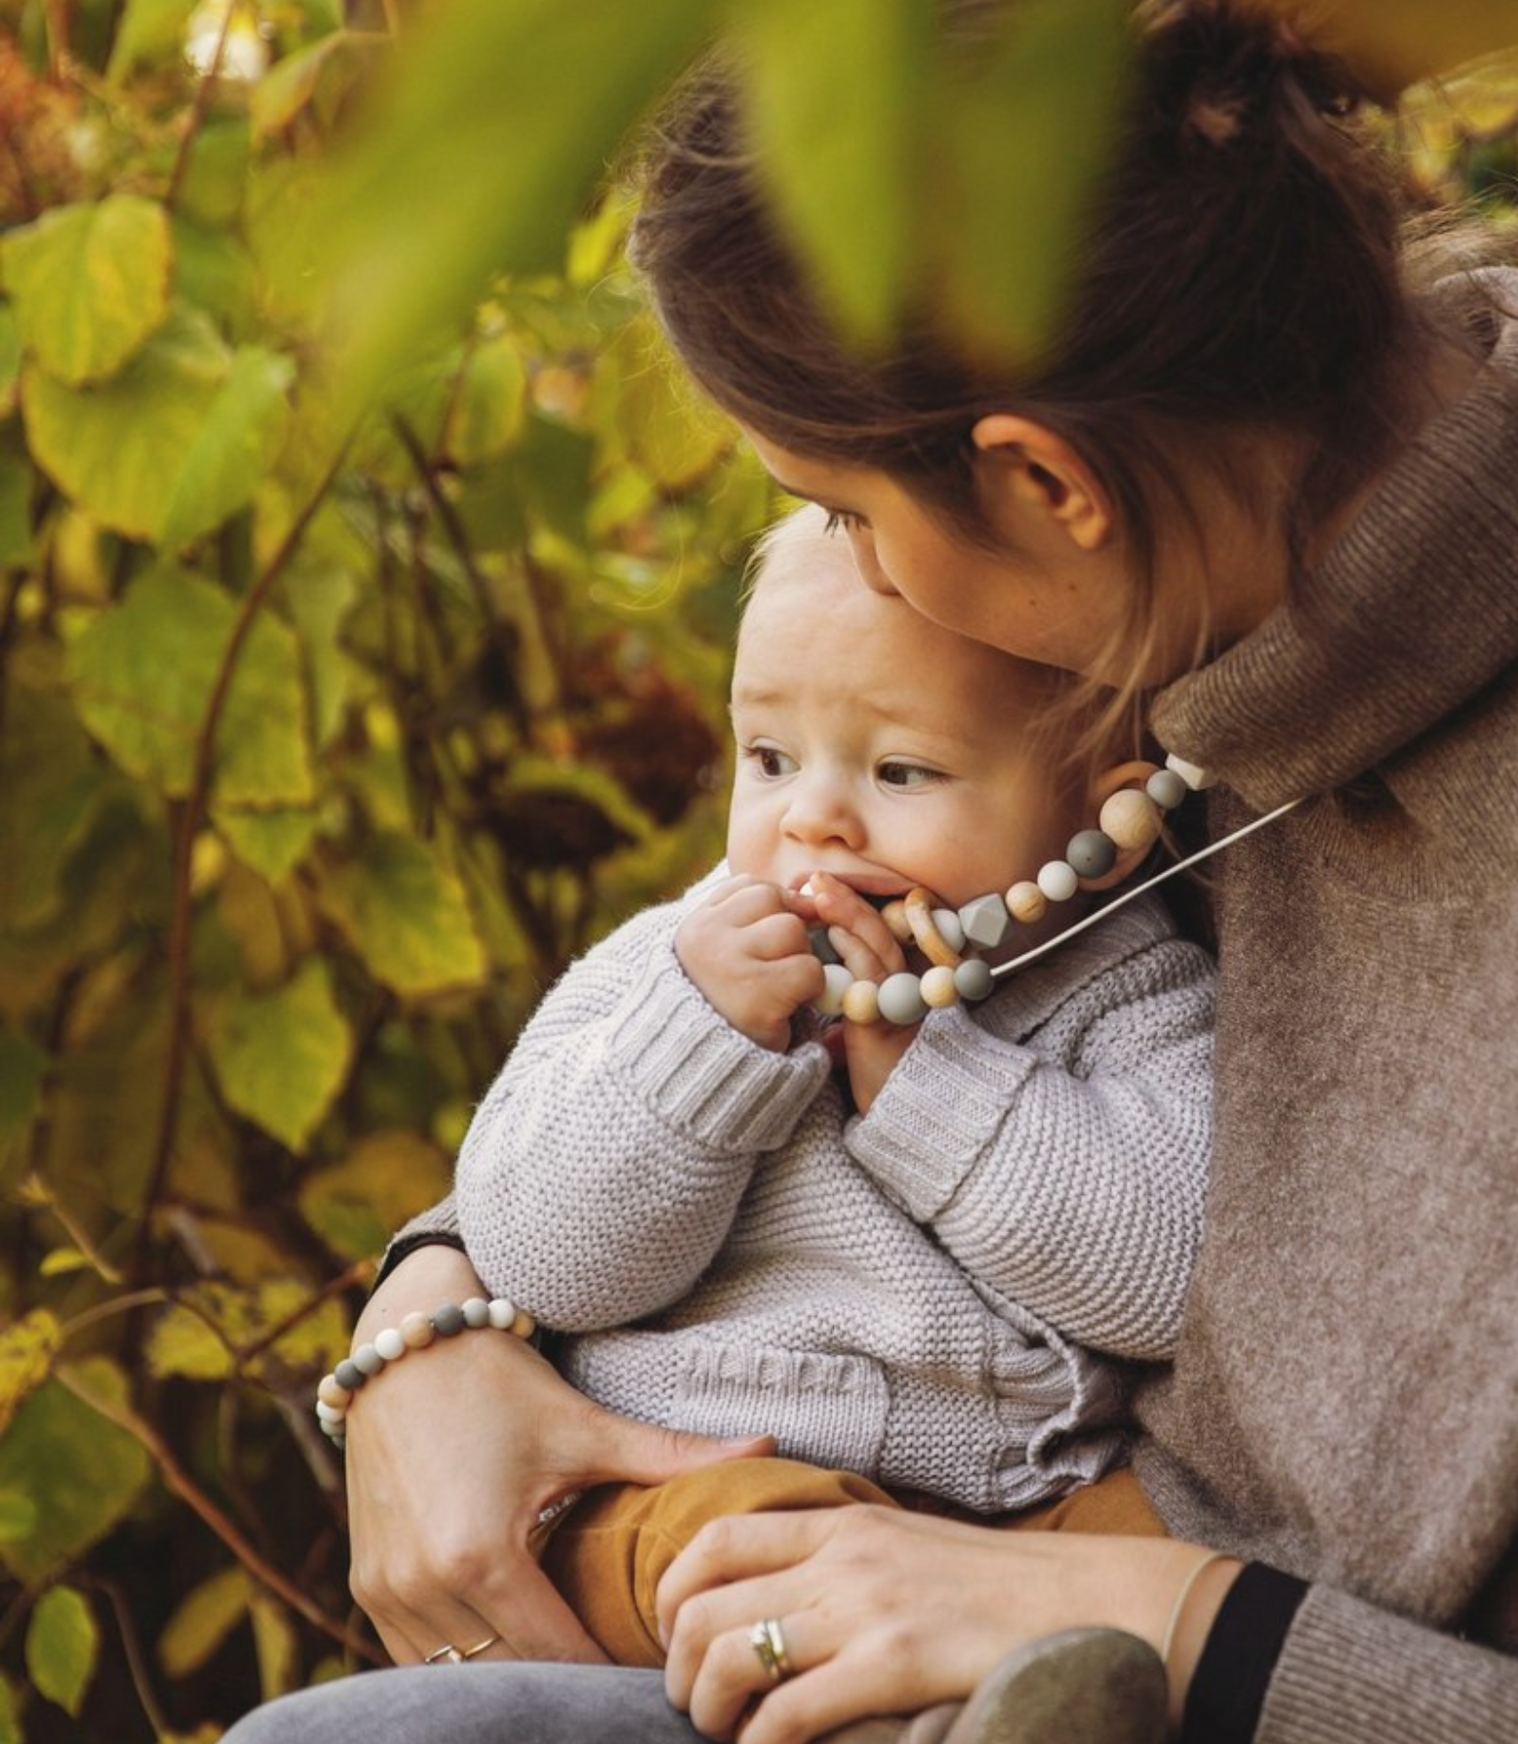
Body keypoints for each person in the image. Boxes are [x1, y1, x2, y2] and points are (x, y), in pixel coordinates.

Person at [225, 0, 1518, 1744]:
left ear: (1047, 487)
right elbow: (743, 1055)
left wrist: (1174, 1620)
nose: (860, 608)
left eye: (858, 520)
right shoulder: (1195, 592)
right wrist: (434, 1325)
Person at [434, 506, 1213, 1700]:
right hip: (698, 1475)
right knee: (747, 1549)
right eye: (767, 758)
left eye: (900, 770)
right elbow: (539, 1255)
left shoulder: (1129, 988)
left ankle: (1035, 1705)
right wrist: (701, 1045)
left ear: (1102, 825)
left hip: (1013, 1515)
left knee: (1180, 1558)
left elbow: (1176, 1275)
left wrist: (926, 1081)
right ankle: (903, 1728)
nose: (811, 819)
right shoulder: (668, 972)